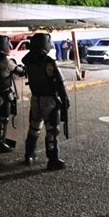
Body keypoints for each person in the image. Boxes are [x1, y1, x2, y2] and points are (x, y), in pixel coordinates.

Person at [22, 33, 70, 170]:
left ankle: (29, 154)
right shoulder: (48, 61)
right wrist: (65, 98)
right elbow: (59, 82)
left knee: (34, 128)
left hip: (35, 98)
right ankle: (53, 159)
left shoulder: (28, 60)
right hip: (49, 100)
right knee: (52, 130)